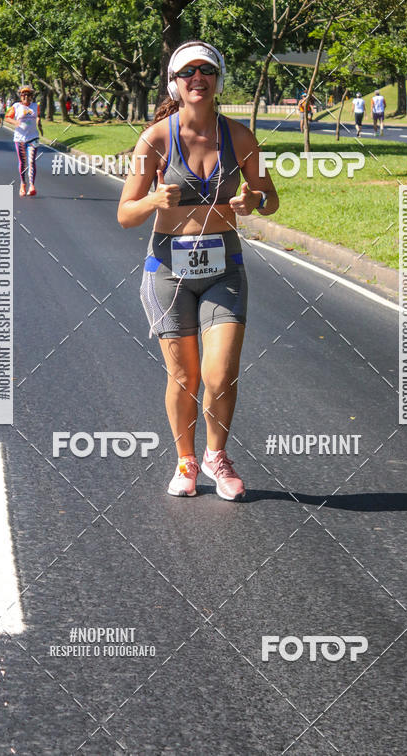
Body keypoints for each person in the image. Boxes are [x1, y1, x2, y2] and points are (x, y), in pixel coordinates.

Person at [118, 40, 278, 500]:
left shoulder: (240, 138)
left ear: (217, 79)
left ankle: (216, 455)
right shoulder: (155, 140)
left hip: (224, 268)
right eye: (187, 72)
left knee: (220, 373)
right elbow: (125, 214)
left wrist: (253, 200)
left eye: (206, 70)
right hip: (168, 271)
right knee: (184, 377)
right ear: (175, 82)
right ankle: (185, 460)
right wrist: (153, 199)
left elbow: (271, 199)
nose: (197, 79)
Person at [5, 85, 43, 197]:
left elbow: (38, 116)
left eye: (28, 94)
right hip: (20, 138)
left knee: (32, 161)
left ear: (31, 96)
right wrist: (16, 122)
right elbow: (7, 117)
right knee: (22, 162)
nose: (26, 96)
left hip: (33, 137)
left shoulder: (35, 106)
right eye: (23, 94)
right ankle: (23, 183)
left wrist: (39, 123)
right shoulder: (16, 106)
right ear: (20, 96)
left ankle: (32, 186)